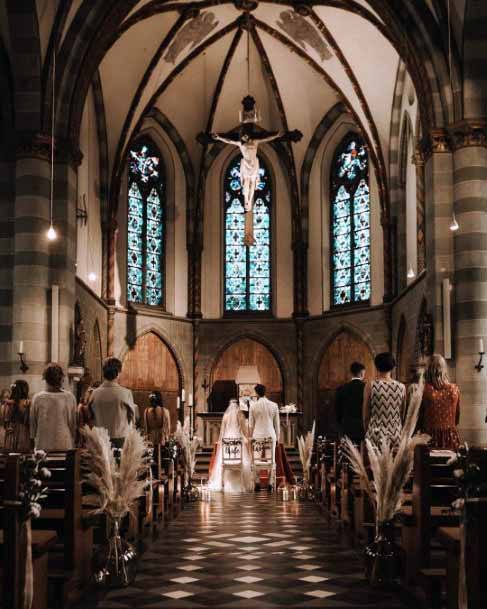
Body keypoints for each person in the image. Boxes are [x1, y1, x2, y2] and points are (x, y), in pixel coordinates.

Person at [208, 398, 253, 493]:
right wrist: (247, 438)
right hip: (238, 440)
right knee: (243, 458)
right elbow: (244, 431)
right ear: (237, 405)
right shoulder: (240, 415)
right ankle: (241, 483)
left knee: (222, 459)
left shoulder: (226, 416)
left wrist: (221, 441)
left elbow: (222, 431)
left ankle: (222, 483)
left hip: (226, 440)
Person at [89, 357, 136, 448]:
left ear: (104, 373)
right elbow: (132, 418)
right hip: (120, 439)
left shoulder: (94, 394)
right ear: (118, 373)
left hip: (100, 440)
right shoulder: (125, 393)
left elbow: (90, 417)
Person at [30, 363, 77, 451]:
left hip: (43, 444)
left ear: (46, 379)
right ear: (61, 379)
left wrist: (33, 441)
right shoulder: (70, 397)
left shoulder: (38, 397)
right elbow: (73, 424)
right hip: (64, 443)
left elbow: (33, 424)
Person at [363, 352, 406, 448]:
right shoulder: (402, 387)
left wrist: (367, 431)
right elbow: (402, 414)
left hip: (375, 434)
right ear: (393, 367)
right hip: (396, 435)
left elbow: (366, 414)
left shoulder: (371, 386)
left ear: (376, 366)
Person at [420, 354, 460, 450]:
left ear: (428, 370)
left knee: (430, 464)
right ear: (444, 369)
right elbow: (457, 417)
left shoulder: (424, 390)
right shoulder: (454, 389)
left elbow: (419, 418)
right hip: (450, 437)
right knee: (450, 464)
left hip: (429, 437)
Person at [249, 384, 280, 488]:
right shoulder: (274, 405)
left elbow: (250, 425)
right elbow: (277, 424)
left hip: (257, 435)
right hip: (270, 434)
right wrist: (278, 438)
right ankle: (271, 482)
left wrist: (250, 437)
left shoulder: (253, 406)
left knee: (256, 459)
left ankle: (257, 482)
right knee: (271, 460)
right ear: (265, 392)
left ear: (256, 393)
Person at [335, 362, 366, 443]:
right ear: (362, 373)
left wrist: (340, 430)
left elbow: (337, 412)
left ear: (351, 373)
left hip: (346, 428)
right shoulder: (366, 388)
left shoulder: (341, 388)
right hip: (363, 428)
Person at [4, 380, 31, 451]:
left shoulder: (8, 403)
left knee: (10, 456)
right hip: (24, 432)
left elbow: (5, 419)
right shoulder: (27, 403)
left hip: (11, 431)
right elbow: (29, 420)